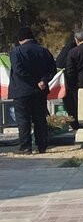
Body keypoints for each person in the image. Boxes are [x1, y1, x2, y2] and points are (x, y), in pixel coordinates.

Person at [9, 26, 56, 154]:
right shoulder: (44, 51)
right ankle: (42, 146)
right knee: (40, 119)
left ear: (20, 39)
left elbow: (19, 71)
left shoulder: (16, 52)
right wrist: (43, 81)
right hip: (40, 91)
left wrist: (35, 81)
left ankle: (25, 147)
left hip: (22, 90)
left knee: (23, 119)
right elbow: (52, 69)